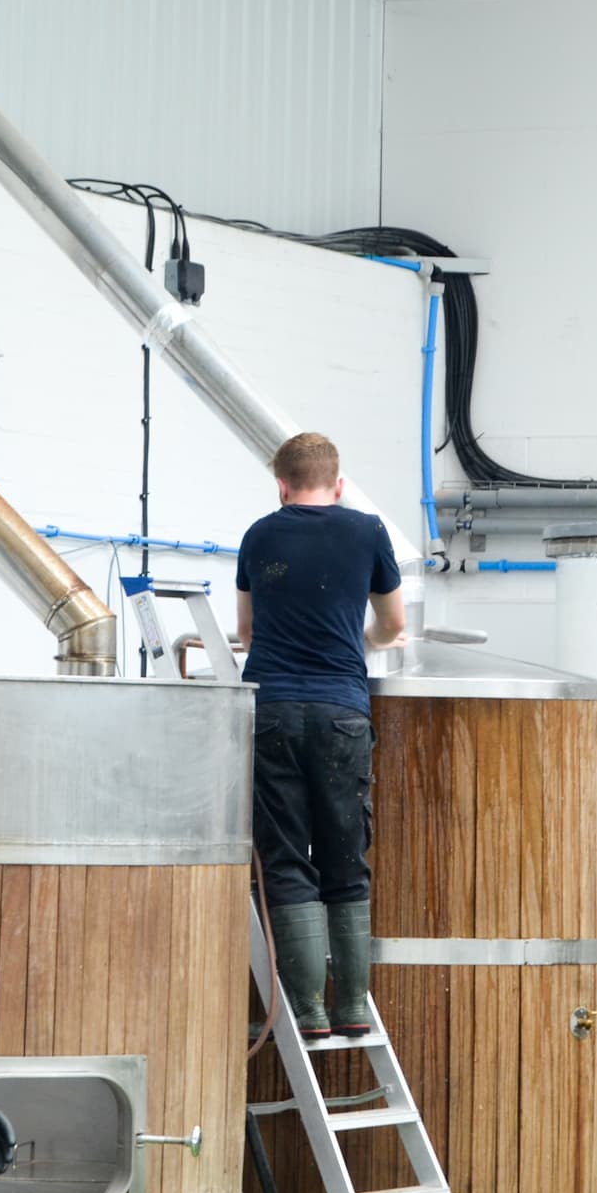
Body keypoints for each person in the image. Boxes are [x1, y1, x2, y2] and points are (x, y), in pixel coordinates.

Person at [236, 432, 407, 1039]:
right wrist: (366, 642)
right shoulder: (368, 531)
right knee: (344, 854)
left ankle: (308, 1012)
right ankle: (353, 1006)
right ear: (338, 484)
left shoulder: (259, 536)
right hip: (342, 712)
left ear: (280, 484)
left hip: (273, 710)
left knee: (285, 856)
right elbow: (393, 624)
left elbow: (247, 629)